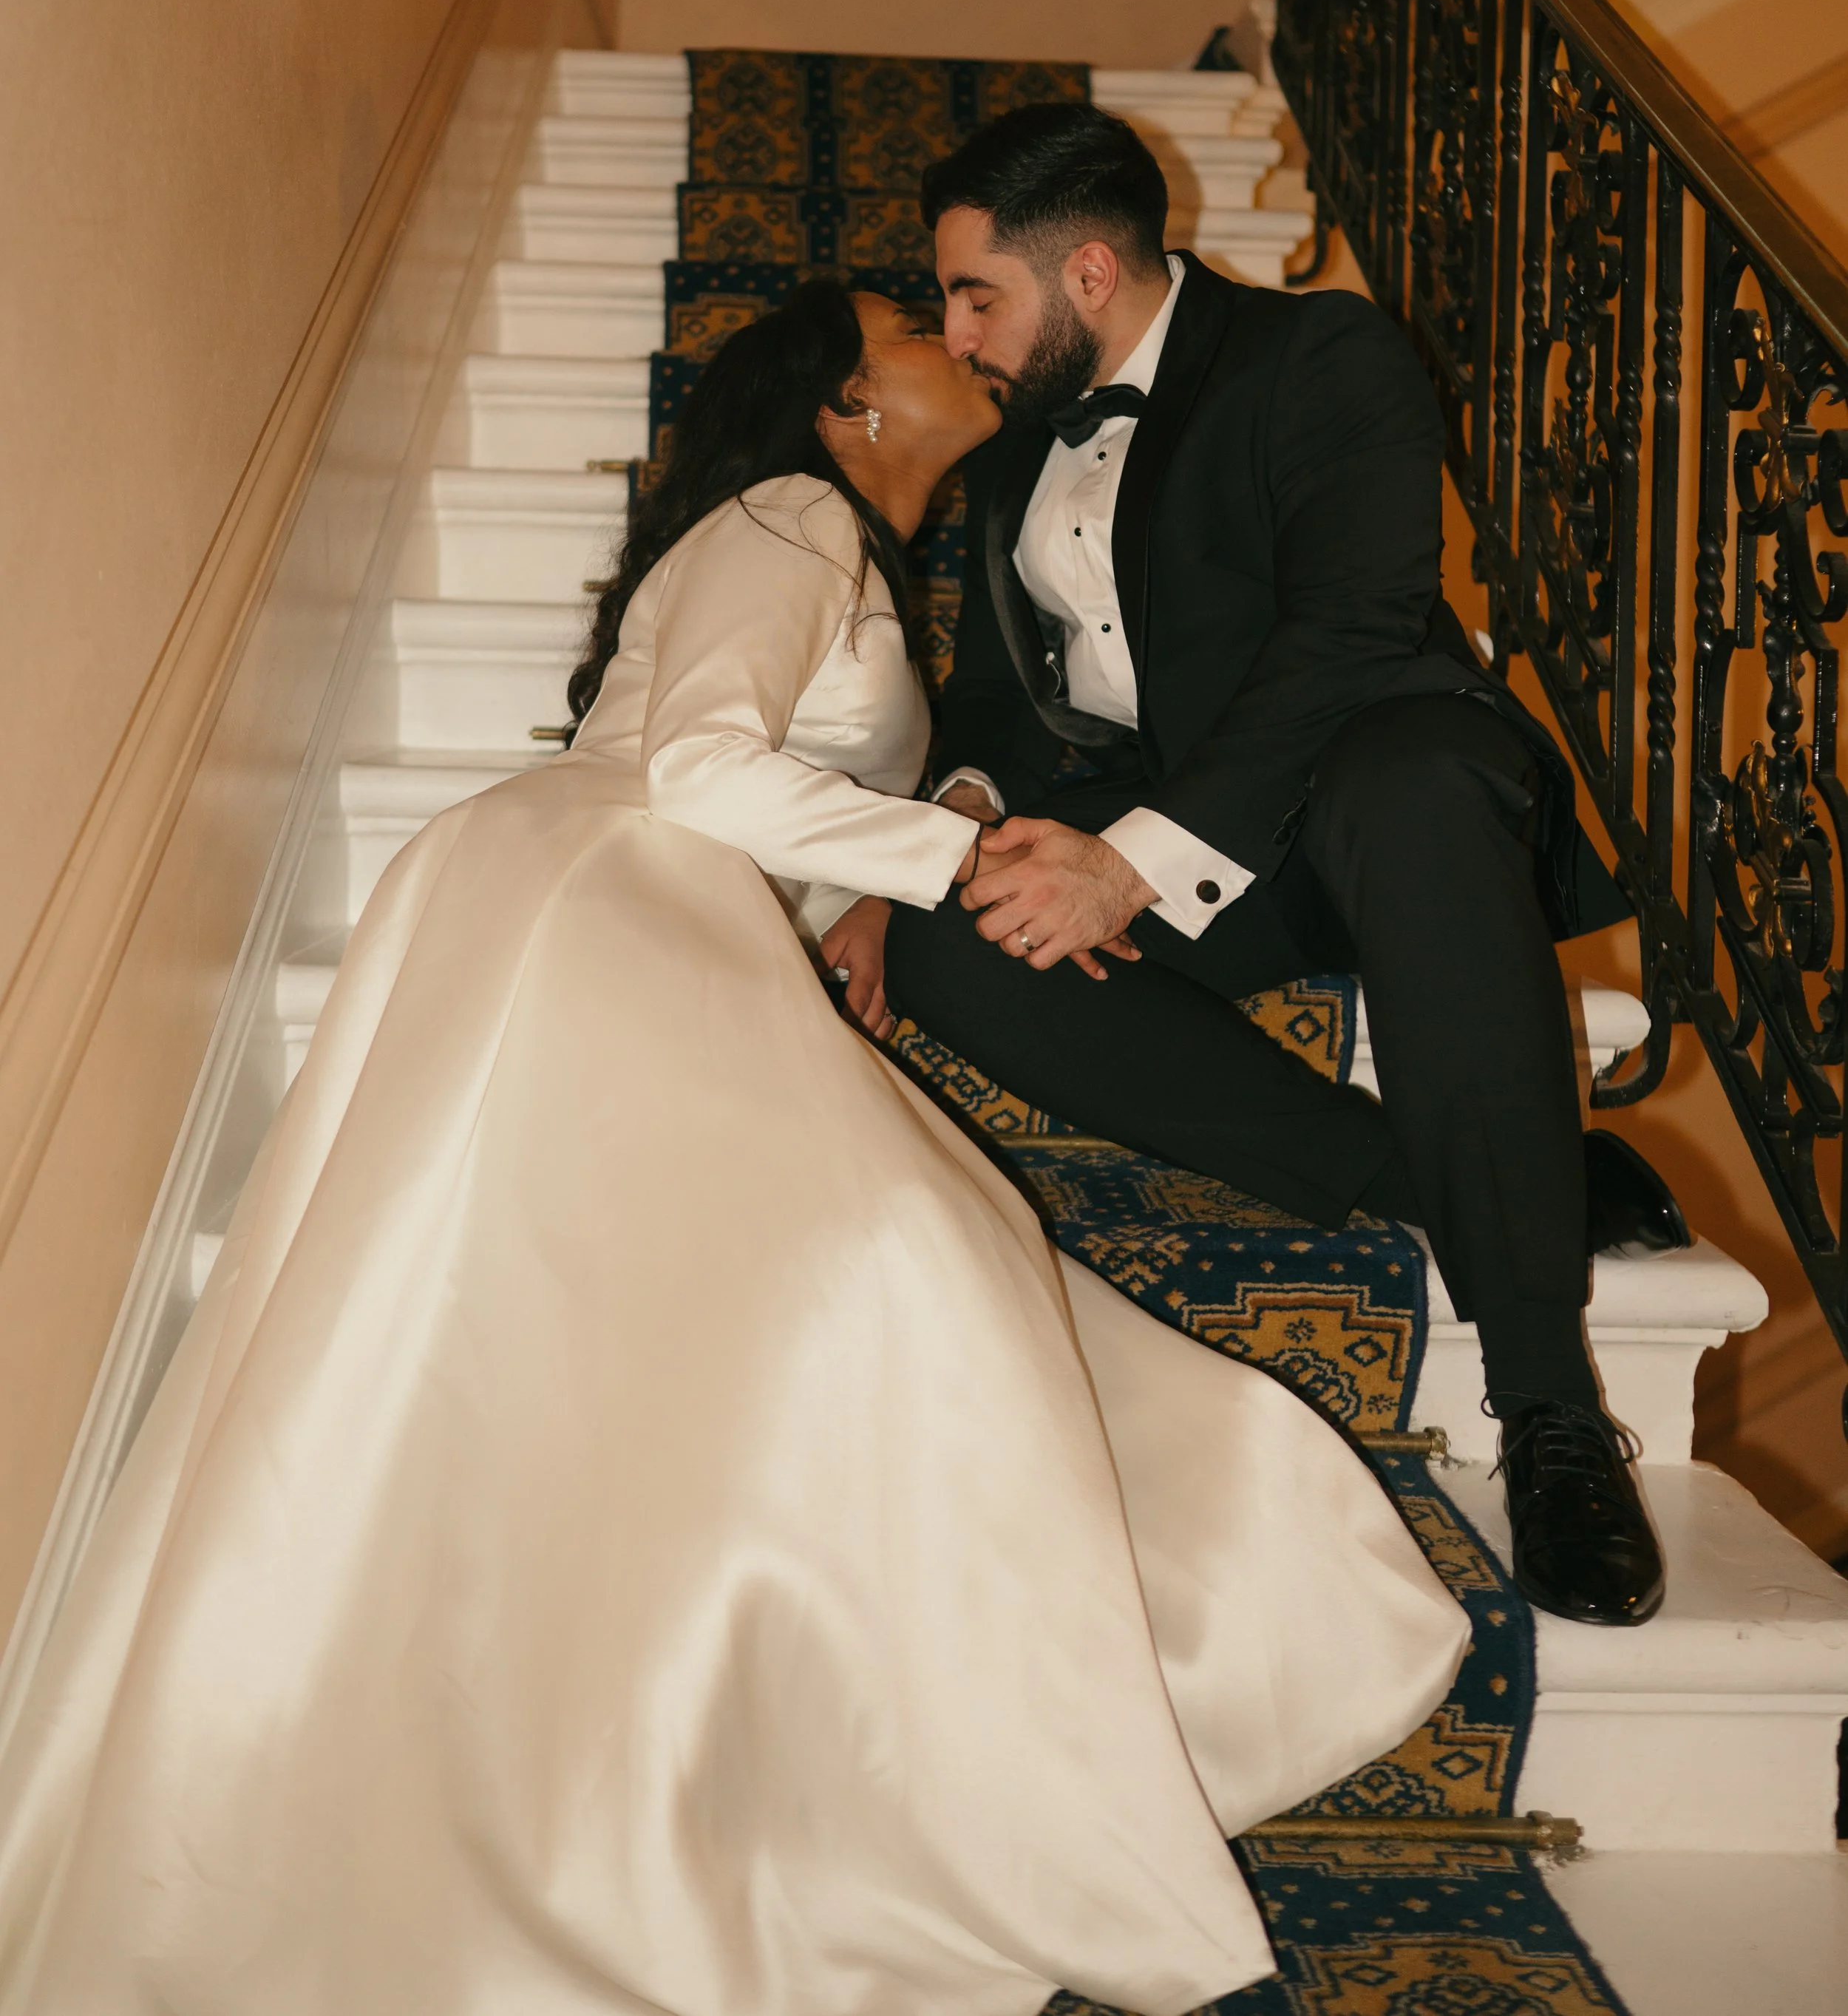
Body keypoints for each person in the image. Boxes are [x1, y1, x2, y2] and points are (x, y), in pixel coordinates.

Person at [0, 278, 1464, 2016]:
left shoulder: (847, 549)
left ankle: (673, 1766)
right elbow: (695, 766)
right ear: (848, 402)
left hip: (626, 900)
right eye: (914, 330)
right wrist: (960, 875)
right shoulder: (787, 514)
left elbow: (763, 778)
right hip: (602, 897)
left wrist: (851, 897)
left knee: (730, 1326)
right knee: (897, 1271)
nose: (952, 338)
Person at [843, 103, 1688, 1632]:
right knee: (941, 941)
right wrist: (942, 831)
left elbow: (1346, 638)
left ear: (1088, 272)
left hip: (1352, 809)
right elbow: (991, 701)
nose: (953, 330)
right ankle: (1466, 1175)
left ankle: (1551, 1411)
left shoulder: (1322, 359)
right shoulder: (1016, 433)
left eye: (977, 295)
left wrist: (1128, 865)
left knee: (1417, 782)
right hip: (1167, 834)